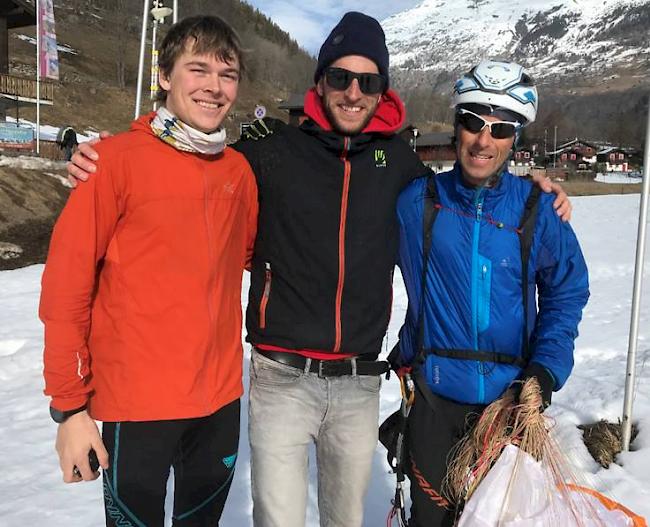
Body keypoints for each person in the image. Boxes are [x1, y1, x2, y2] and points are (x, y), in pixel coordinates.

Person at [66, 14, 572, 527]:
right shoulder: (270, 152)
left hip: (357, 382)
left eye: (368, 82)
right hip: (280, 377)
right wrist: (115, 149)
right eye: (340, 78)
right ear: (320, 81)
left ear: (382, 92)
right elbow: (194, 156)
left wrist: (535, 185)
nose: (353, 92)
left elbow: (470, 192)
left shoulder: (401, 168)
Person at [40, 16, 257, 526]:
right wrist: (69, 409)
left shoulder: (237, 172)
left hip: (218, 401)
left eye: (227, 75)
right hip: (134, 405)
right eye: (197, 69)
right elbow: (65, 289)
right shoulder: (111, 162)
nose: (214, 87)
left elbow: (248, 255)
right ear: (164, 77)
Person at [391, 60, 590, 526]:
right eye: (472, 122)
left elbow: (566, 293)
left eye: (500, 128)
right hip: (434, 401)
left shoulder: (538, 210)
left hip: (511, 406)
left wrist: (544, 370)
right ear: (456, 125)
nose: (484, 140)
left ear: (514, 137)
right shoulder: (415, 201)